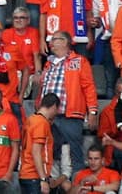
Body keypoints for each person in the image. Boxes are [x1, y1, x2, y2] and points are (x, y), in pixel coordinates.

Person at [39, 31, 99, 178]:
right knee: (49, 153)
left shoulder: (79, 61)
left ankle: (76, 185)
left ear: (65, 42)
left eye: (55, 39)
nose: (51, 42)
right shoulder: (48, 63)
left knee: (74, 153)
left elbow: (89, 87)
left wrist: (92, 112)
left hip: (69, 115)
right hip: (47, 118)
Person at [19, 93, 61, 194]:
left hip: (25, 173)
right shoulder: (41, 123)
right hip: (34, 175)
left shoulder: (31, 119)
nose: (57, 112)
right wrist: (43, 178)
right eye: (57, 109)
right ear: (54, 106)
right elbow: (36, 151)